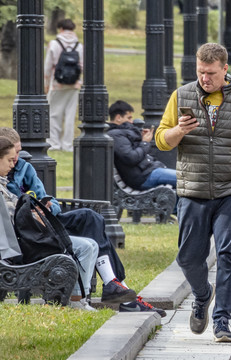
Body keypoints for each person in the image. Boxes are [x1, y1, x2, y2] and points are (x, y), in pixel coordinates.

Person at [155, 43, 231, 344]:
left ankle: (222, 322)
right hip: (192, 191)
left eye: (211, 73)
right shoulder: (181, 97)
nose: (205, 78)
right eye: (201, 72)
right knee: (189, 258)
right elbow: (161, 140)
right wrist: (179, 131)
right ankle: (203, 294)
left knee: (228, 256)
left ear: (224, 69)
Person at [0, 127, 162, 315]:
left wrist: (49, 206)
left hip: (47, 218)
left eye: (18, 152)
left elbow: (47, 198)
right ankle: (116, 287)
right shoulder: (4, 180)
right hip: (31, 229)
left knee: (90, 218)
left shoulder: (24, 168)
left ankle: (114, 284)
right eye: (13, 156)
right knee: (90, 232)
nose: (17, 159)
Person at [107, 100, 177, 191]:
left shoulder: (121, 133)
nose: (131, 121)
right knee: (188, 181)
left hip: (148, 172)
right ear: (118, 117)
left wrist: (140, 137)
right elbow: (131, 158)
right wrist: (144, 143)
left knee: (188, 183)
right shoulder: (116, 135)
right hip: (143, 177)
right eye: (129, 118)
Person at [45, 18, 83, 152]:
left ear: (60, 28)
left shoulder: (54, 44)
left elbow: (47, 67)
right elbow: (82, 66)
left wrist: (46, 84)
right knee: (70, 114)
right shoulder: (79, 46)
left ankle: (54, 143)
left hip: (57, 84)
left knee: (54, 114)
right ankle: (67, 145)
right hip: (74, 85)